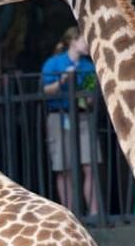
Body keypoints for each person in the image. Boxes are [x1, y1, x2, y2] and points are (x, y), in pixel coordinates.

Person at [42, 27, 100, 216]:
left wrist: (86, 93)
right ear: (74, 41)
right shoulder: (53, 63)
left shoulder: (88, 67)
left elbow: (90, 97)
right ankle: (70, 214)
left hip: (82, 116)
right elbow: (46, 91)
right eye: (85, 40)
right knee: (63, 167)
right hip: (59, 116)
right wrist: (63, 80)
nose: (88, 44)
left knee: (89, 165)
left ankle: (94, 213)